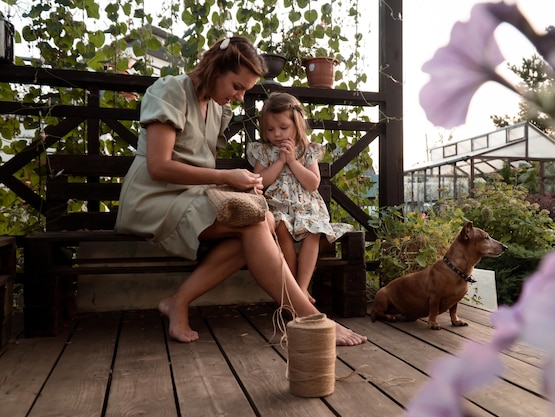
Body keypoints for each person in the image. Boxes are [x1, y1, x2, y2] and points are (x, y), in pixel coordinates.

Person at [114, 36, 366, 346]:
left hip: (190, 196)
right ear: (216, 68)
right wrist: (229, 178)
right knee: (255, 221)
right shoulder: (171, 91)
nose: (240, 95)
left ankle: (177, 301)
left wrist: (244, 183)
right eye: (237, 86)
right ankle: (310, 318)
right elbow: (158, 167)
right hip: (153, 198)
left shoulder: (217, 108)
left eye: (245, 89)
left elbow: (202, 166)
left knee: (260, 223)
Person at [248, 92, 353, 304]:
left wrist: (293, 161)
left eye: (283, 128)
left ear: (297, 125)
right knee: (281, 229)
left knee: (313, 232)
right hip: (278, 207)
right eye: (270, 129)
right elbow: (261, 181)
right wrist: (279, 162)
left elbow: (313, 183)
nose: (276, 134)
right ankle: (292, 288)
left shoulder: (307, 151)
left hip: (306, 207)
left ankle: (302, 288)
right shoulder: (265, 152)